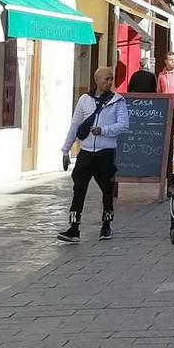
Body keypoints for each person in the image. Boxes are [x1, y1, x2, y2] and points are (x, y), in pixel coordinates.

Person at [57, 66, 129, 242]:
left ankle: (106, 226)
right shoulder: (85, 100)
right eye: (107, 79)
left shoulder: (118, 101)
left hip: (105, 152)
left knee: (106, 189)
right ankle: (74, 228)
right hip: (86, 152)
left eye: (111, 79)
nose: (110, 82)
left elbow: (124, 125)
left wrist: (103, 130)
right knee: (78, 189)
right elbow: (75, 125)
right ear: (97, 81)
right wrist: (66, 150)